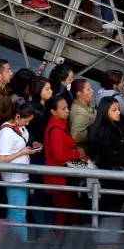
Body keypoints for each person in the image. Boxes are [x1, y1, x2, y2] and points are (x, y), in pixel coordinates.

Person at [88, 96, 124, 214]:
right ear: (105, 111)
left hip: (117, 174)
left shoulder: (115, 125)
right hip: (113, 177)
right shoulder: (104, 131)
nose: (118, 112)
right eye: (114, 110)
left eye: (118, 109)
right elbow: (109, 158)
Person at [0, 103, 41, 240]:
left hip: (21, 176)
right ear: (17, 116)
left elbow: (25, 139)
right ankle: (19, 245)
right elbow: (2, 159)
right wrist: (23, 152)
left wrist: (32, 145)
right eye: (26, 121)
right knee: (18, 214)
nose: (27, 124)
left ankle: (16, 243)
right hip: (14, 178)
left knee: (18, 212)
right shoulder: (6, 133)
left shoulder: (19, 127)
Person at [43, 95, 85, 225]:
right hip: (58, 179)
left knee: (71, 210)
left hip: (63, 177)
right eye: (63, 108)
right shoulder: (55, 129)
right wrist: (77, 153)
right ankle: (58, 241)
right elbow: (59, 156)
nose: (67, 111)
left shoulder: (60, 125)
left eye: (67, 107)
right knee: (62, 214)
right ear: (53, 111)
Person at [68, 79, 96, 151]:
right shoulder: (80, 113)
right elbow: (75, 136)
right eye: (88, 89)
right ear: (79, 93)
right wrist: (94, 130)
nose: (92, 91)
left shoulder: (85, 104)